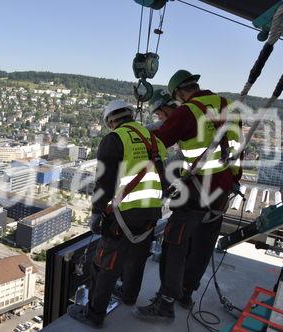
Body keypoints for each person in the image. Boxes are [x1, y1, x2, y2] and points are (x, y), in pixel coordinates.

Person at [134, 70, 242, 322]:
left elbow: (159, 141)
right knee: (203, 244)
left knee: (175, 242)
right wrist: (233, 179)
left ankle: (166, 303)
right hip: (222, 190)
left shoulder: (189, 111)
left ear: (179, 93)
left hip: (196, 190)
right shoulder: (226, 105)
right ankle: (185, 294)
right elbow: (237, 147)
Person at [68, 99, 167, 328]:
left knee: (105, 263)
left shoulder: (114, 139)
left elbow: (104, 182)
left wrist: (96, 213)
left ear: (111, 121)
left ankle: (94, 314)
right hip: (151, 211)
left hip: (124, 214)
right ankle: (129, 295)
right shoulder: (152, 139)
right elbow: (164, 174)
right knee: (137, 256)